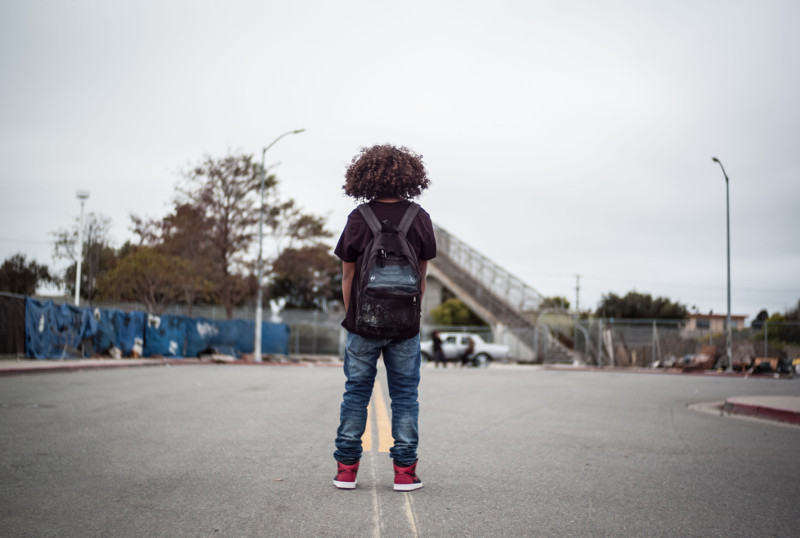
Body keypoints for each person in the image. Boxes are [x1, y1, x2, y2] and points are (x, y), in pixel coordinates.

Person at [332, 144, 436, 492]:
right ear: (410, 176)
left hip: (363, 323)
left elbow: (348, 276)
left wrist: (354, 318)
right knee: (405, 396)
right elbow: (421, 278)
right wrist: (410, 315)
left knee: (355, 394)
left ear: (363, 176)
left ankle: (346, 470)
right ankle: (405, 472)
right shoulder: (418, 217)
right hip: (406, 327)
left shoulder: (358, 219)